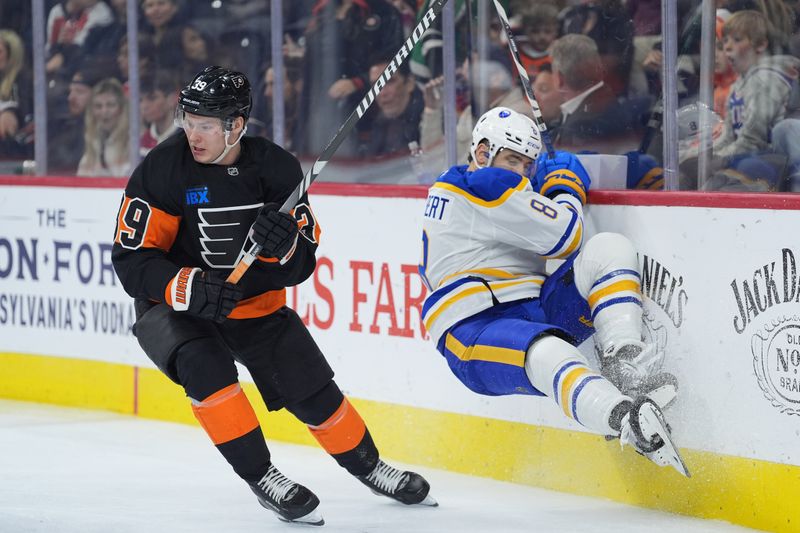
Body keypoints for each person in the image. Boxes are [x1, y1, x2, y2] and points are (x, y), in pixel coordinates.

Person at [111, 66, 436, 526]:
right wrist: (185, 285)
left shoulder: (276, 169)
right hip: (176, 309)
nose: (193, 133)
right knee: (207, 369)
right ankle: (263, 477)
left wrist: (282, 248)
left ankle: (370, 467)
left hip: (252, 304)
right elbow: (132, 259)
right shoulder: (163, 168)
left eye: (206, 124)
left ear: (236, 125)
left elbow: (302, 264)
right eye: (189, 119)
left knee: (313, 391)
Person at [418, 106, 688, 477]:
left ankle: (623, 361)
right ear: (482, 153)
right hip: (473, 329)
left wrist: (547, 182)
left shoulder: (477, 185)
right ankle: (626, 419)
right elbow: (566, 235)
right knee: (548, 350)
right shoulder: (482, 185)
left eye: (528, 164)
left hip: (533, 309)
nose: (522, 172)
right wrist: (563, 186)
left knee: (608, 248)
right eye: (513, 159)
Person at [77, 77, 130, 176]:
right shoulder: (92, 141)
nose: (104, 111)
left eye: (110, 105)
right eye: (98, 106)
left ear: (122, 108)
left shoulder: (134, 142)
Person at [139, 69, 180, 157]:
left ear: (172, 99)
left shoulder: (187, 138)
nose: (144, 106)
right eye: (141, 100)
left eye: (152, 98)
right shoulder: (143, 141)